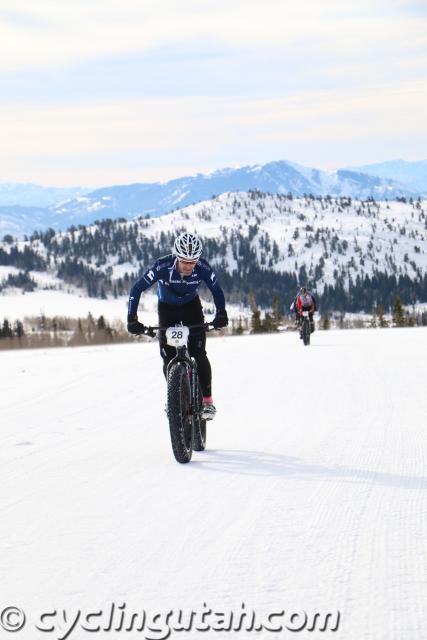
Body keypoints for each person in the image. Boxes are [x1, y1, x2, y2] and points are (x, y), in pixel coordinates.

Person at [127, 232, 228, 420]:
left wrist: (221, 312)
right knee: (168, 358)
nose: (189, 266)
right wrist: (131, 318)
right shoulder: (162, 266)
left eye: (193, 261)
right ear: (176, 257)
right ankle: (176, 398)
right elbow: (137, 288)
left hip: (191, 308)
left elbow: (216, 290)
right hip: (167, 309)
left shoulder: (203, 267)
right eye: (184, 261)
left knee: (199, 353)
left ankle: (207, 401)